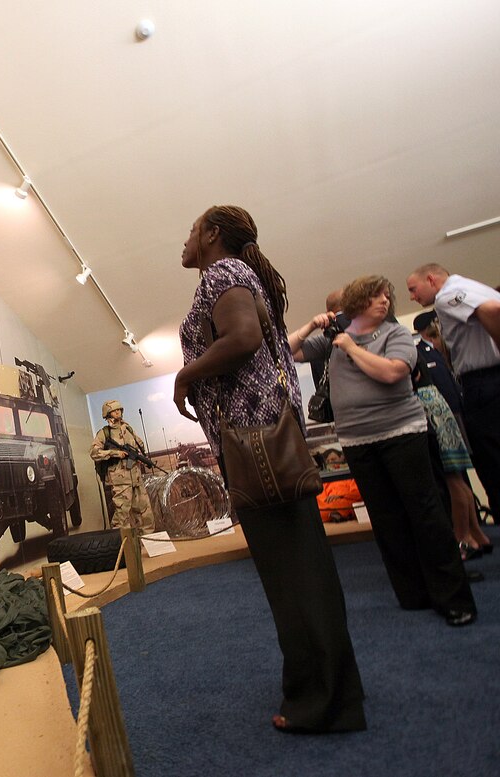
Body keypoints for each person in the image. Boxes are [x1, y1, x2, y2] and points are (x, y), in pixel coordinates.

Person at [174, 205, 366, 734]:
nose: (185, 241)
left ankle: (320, 702)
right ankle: (335, 693)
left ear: (213, 235)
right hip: (267, 445)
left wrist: (185, 375)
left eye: (192, 231)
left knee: (293, 581)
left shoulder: (222, 273)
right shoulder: (245, 275)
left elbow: (242, 340)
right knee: (306, 575)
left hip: (255, 450)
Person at [290, 275, 477, 627]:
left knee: (425, 515)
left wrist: (351, 347)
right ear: (358, 302)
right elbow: (286, 351)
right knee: (386, 518)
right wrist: (311, 325)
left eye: (386, 295)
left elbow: (393, 373)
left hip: (401, 435)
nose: (385, 301)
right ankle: (413, 594)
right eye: (376, 296)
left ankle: (454, 599)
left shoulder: (395, 335)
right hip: (358, 443)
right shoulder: (332, 340)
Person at [406, 264, 500, 519]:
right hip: (487, 382)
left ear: (431, 279)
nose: (412, 297)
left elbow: (493, 310)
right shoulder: (475, 287)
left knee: (492, 463)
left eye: (413, 289)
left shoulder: (448, 296)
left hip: (484, 383)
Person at [90, 400, 155, 533]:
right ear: (108, 414)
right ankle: (124, 546)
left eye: (119, 409)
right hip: (120, 481)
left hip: (135, 478)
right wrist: (114, 453)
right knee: (122, 515)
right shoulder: (104, 433)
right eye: (114, 410)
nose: (118, 412)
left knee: (145, 512)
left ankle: (148, 541)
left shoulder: (128, 429)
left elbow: (139, 445)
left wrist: (139, 457)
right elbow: (94, 452)